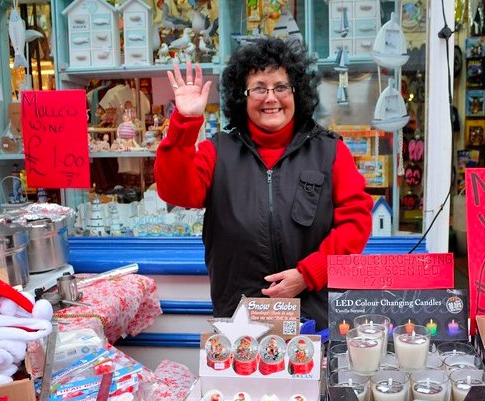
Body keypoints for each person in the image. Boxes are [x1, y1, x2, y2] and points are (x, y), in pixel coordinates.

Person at [154, 38, 373, 326]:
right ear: (242, 97)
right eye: (259, 88)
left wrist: (309, 274)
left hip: (314, 318)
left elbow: (355, 223)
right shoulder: (218, 152)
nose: (271, 98)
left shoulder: (330, 151)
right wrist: (185, 122)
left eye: (281, 87)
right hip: (239, 322)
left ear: (296, 92)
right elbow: (177, 192)